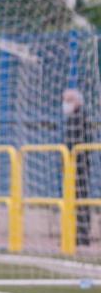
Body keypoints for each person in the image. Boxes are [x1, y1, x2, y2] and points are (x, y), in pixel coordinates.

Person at [64, 88, 93, 247]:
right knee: (73, 198)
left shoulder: (80, 117)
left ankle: (82, 236)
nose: (65, 105)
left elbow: (79, 142)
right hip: (73, 165)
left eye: (68, 101)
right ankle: (74, 234)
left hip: (79, 166)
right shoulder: (73, 118)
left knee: (80, 199)